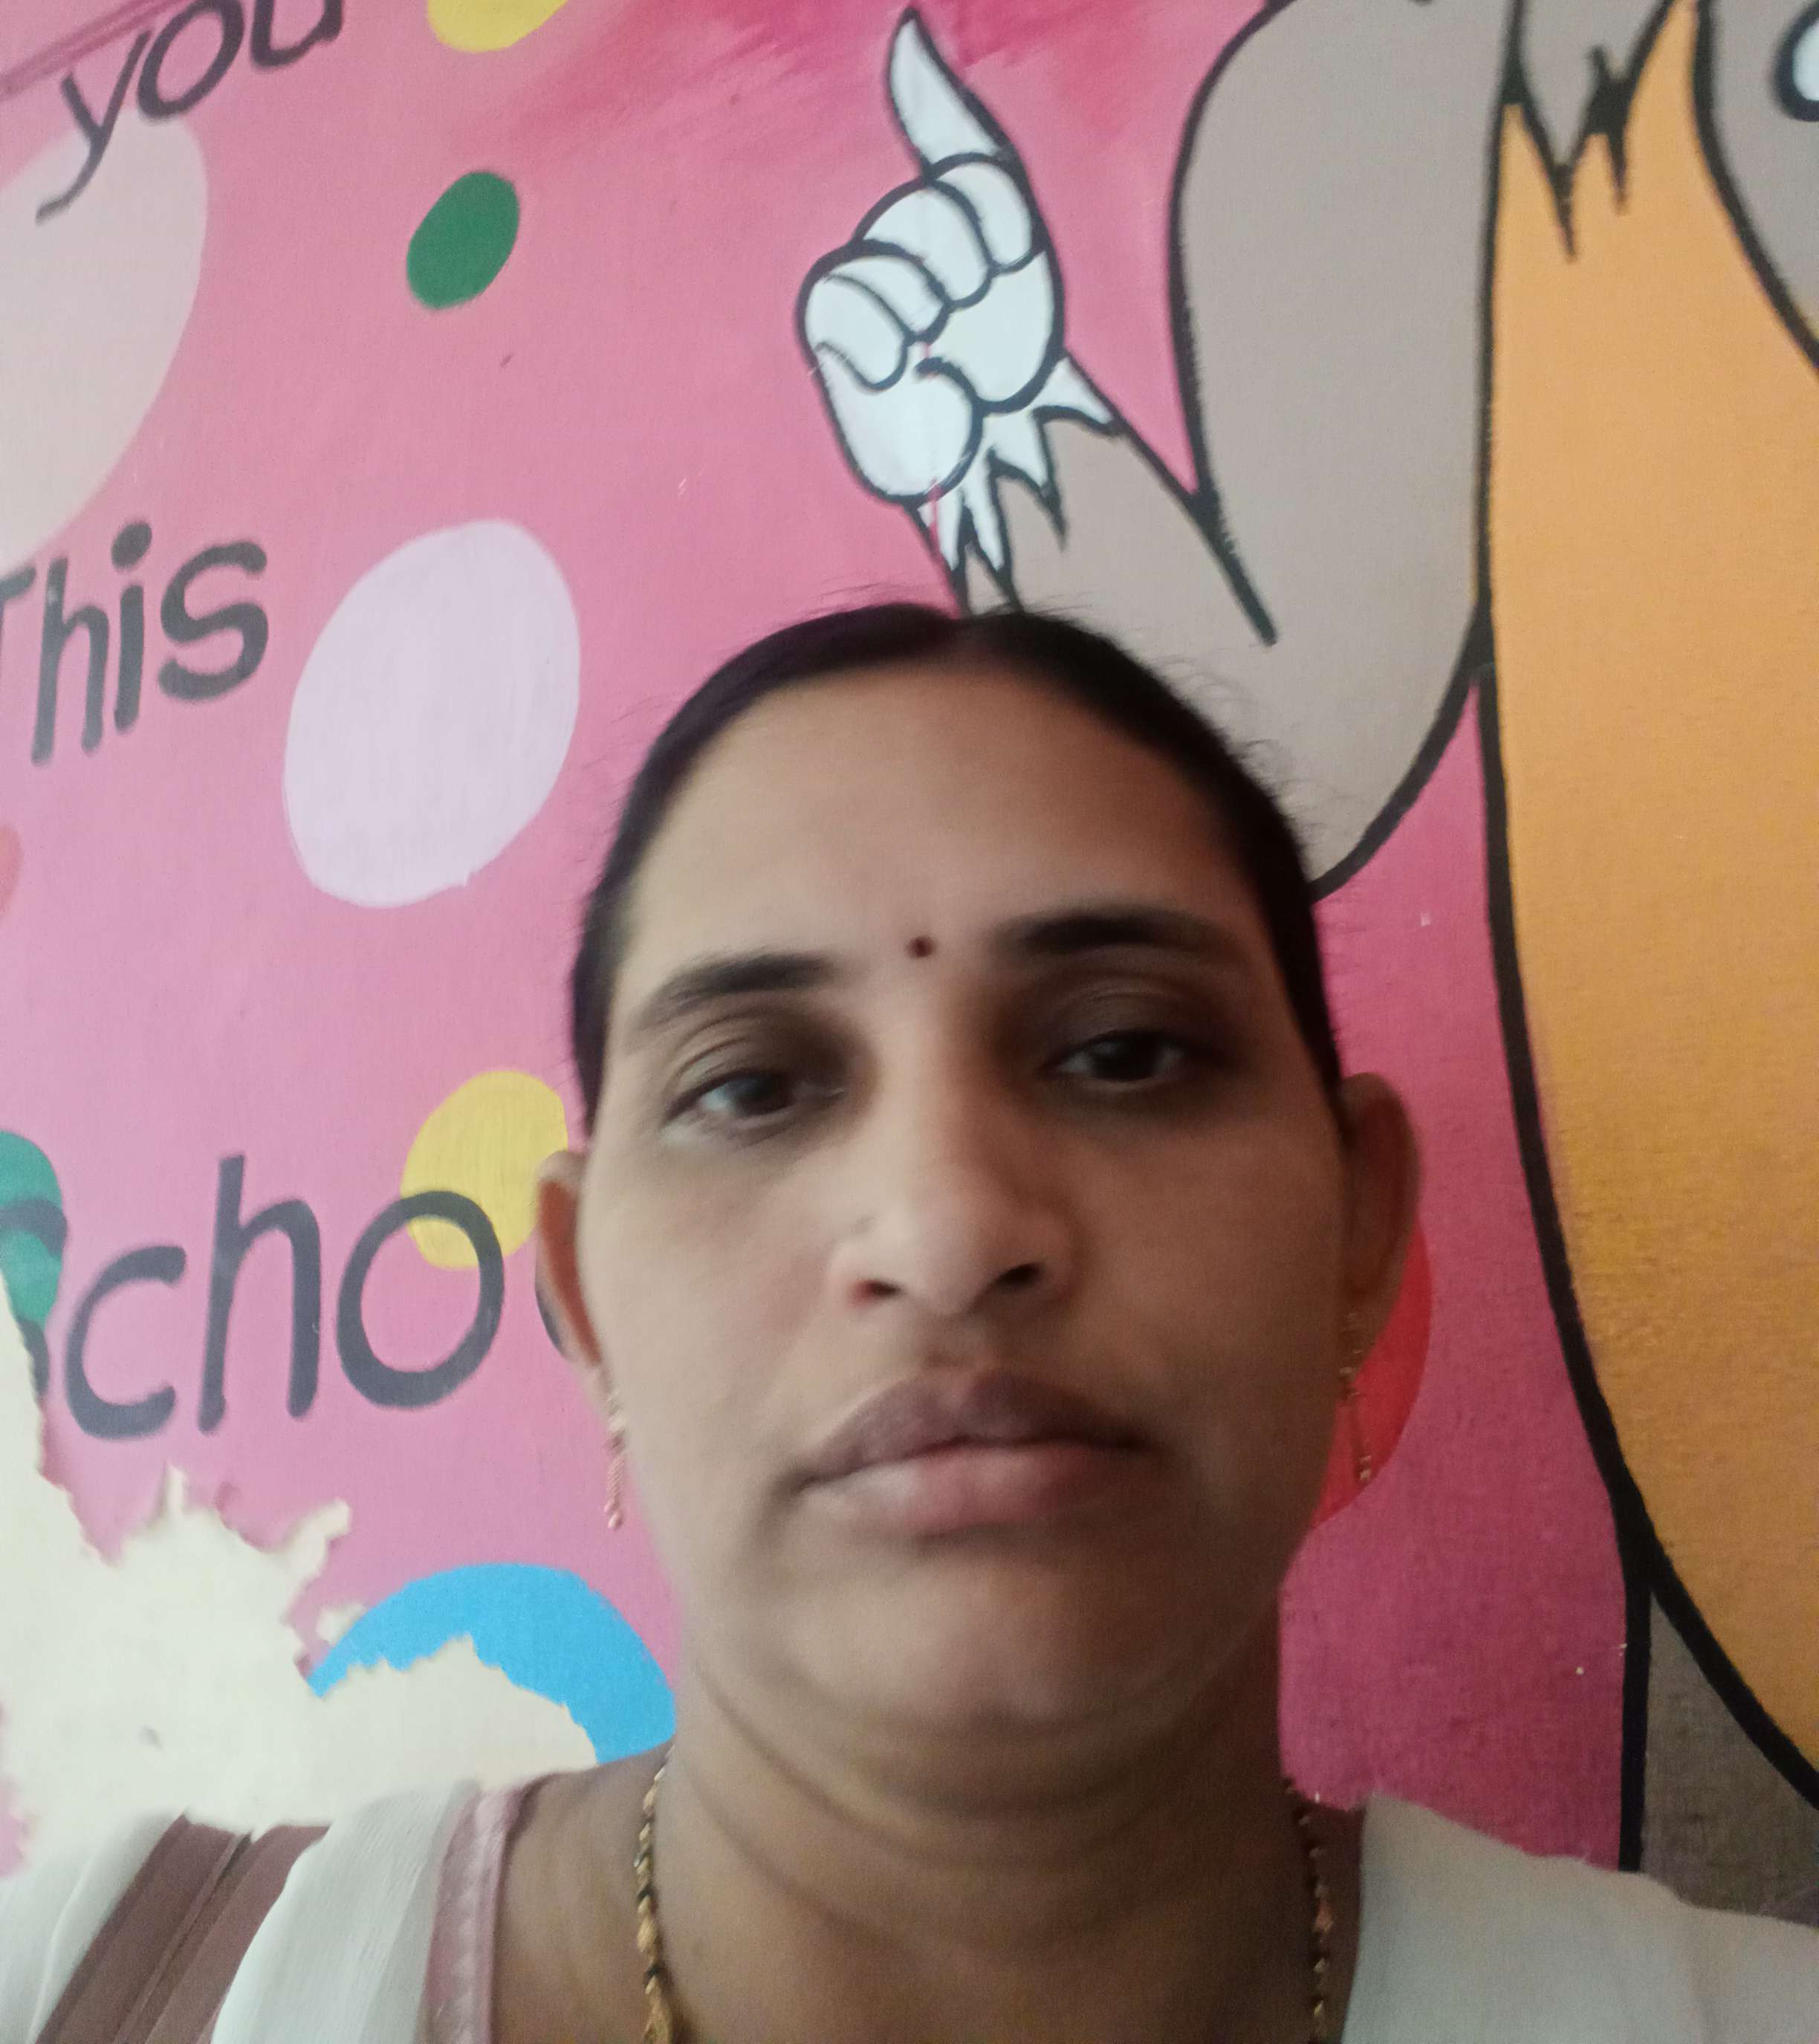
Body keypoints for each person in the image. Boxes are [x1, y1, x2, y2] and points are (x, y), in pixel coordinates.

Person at [4, 603, 1816, 2044]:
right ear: (585, 1302)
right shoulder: (90, 1988)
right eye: (752, 1087)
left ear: (1360, 1230)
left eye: (1127, 1051)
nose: (947, 1229)